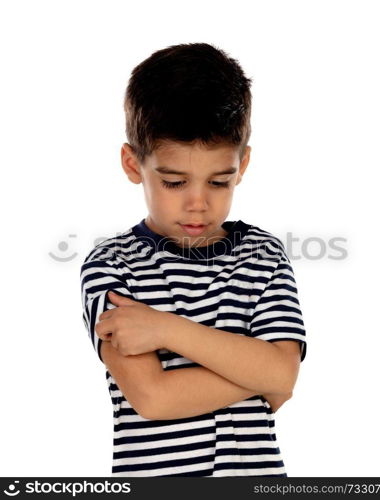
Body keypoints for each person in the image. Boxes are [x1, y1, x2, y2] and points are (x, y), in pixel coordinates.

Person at [80, 42, 307, 477]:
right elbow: (153, 398)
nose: (197, 204)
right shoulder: (112, 264)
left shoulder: (263, 255)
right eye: (175, 182)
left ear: (242, 165)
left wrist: (165, 329)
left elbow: (284, 375)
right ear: (133, 164)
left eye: (219, 182)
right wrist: (257, 372)